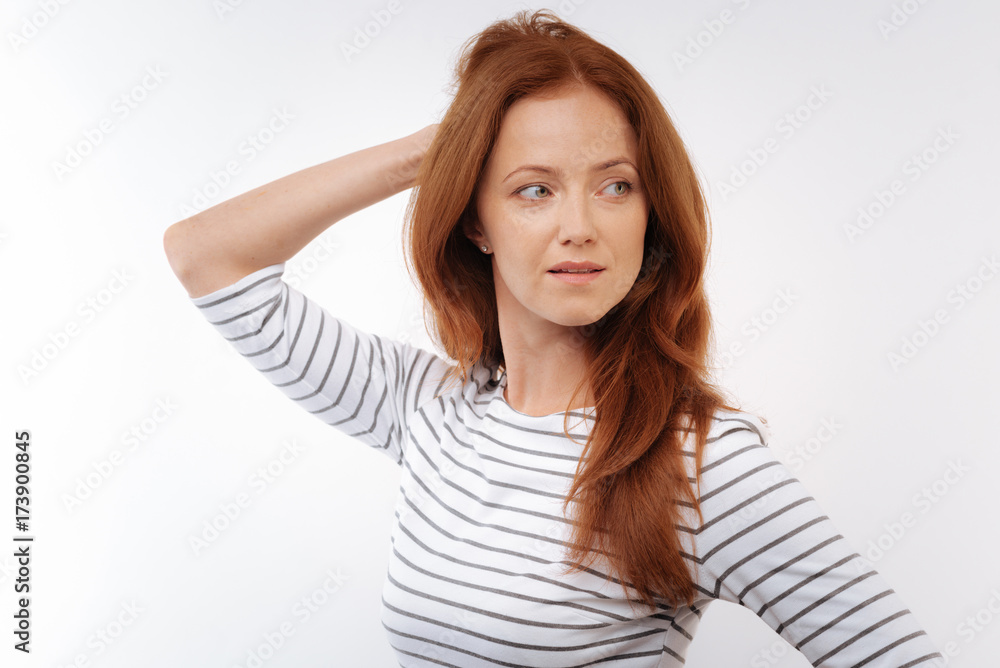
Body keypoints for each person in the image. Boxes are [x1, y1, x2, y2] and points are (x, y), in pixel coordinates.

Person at [163, 9, 943, 667]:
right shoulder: (430, 409)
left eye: (614, 186)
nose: (580, 227)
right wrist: (431, 151)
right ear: (477, 221)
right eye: (533, 189)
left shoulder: (703, 465)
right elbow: (207, 255)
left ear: (649, 214)